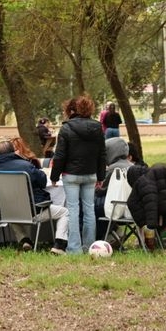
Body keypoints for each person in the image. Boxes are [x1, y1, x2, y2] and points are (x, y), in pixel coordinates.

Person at [0, 140, 69, 254]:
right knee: (65, 212)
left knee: (10, 208)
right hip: (32, 211)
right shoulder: (25, 166)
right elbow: (42, 181)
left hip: (7, 212)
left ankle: (24, 240)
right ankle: (59, 245)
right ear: (14, 152)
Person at [49, 94, 106, 254]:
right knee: (89, 210)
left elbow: (60, 155)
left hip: (71, 174)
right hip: (90, 173)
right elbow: (102, 154)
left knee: (73, 210)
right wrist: (101, 176)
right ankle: (90, 246)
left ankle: (74, 248)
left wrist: (54, 176)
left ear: (72, 110)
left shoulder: (66, 128)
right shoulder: (97, 128)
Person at [95, 137, 136, 237]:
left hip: (117, 207)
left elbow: (101, 190)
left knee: (91, 205)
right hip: (131, 208)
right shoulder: (132, 166)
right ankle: (114, 231)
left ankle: (103, 236)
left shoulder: (114, 168)